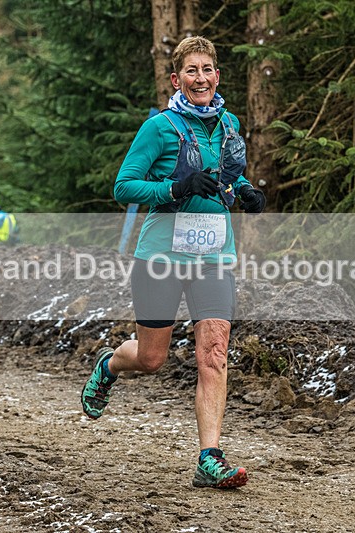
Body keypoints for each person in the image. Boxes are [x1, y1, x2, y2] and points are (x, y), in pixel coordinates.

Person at [80, 36, 266, 489]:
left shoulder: (228, 123)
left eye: (207, 69)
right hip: (161, 257)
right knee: (151, 358)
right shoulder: (159, 127)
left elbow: (227, 172)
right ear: (176, 79)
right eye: (191, 71)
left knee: (214, 354)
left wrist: (244, 190)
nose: (200, 78)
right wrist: (175, 188)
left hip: (214, 256)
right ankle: (110, 365)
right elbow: (124, 187)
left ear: (217, 76)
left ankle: (210, 458)